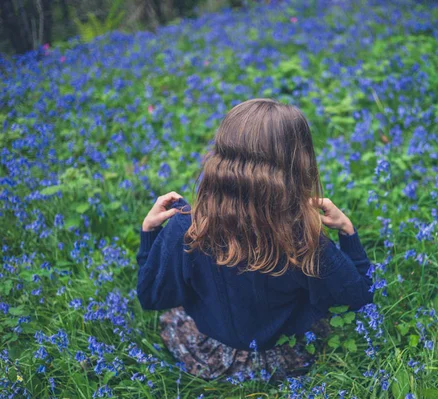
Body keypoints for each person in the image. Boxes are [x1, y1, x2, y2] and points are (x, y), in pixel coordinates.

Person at [136, 98, 373, 382]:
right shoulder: (303, 236)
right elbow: (357, 298)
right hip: (285, 357)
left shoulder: (187, 226)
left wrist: (150, 236)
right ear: (297, 166)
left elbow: (152, 296)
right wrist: (348, 232)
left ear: (219, 161)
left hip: (210, 353)